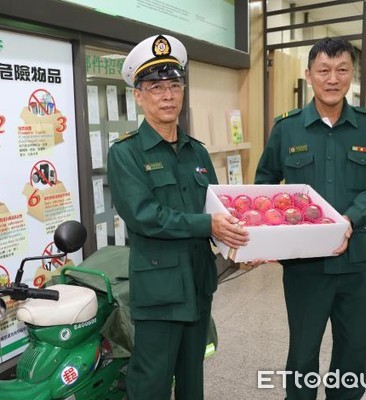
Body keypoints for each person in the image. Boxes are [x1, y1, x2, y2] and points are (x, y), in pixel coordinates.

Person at [255, 37, 366, 399]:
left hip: (359, 262)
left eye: (341, 70)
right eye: (323, 70)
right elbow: (265, 183)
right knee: (302, 355)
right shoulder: (286, 128)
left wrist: (350, 218)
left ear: (352, 74)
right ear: (309, 75)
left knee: (354, 354)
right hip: (305, 265)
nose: (332, 79)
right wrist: (274, 229)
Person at [107, 34, 249, 400]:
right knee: (151, 380)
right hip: (159, 290)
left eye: (174, 85)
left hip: (199, 283)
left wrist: (242, 244)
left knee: (192, 376)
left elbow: (216, 210)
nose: (167, 95)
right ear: (138, 95)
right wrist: (209, 226)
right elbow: (145, 216)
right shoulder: (127, 154)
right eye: (155, 87)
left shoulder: (196, 152)